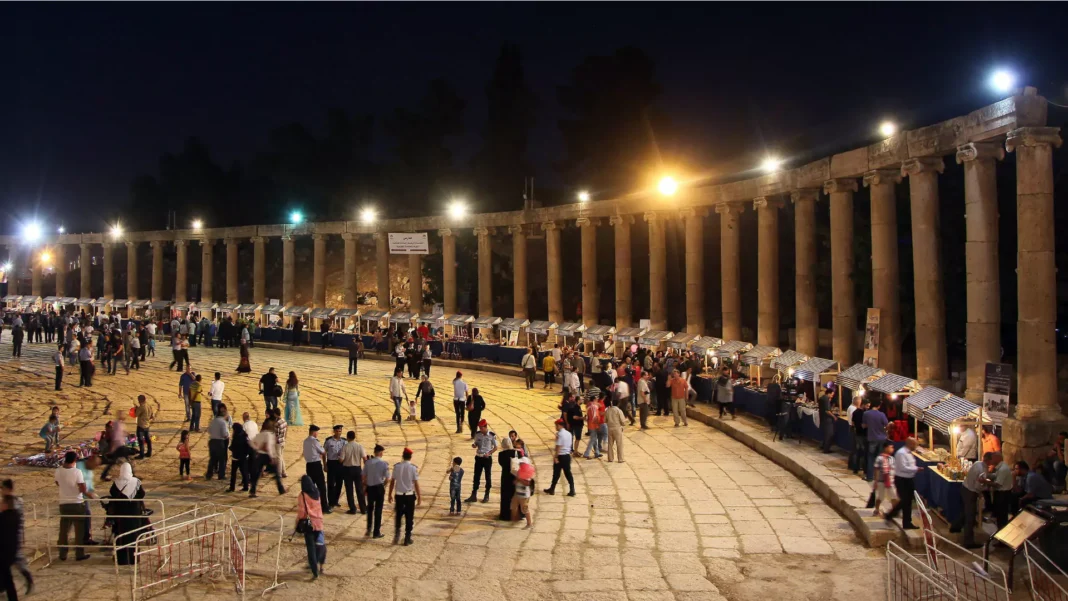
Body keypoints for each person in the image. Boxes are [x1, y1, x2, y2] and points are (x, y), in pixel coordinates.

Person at [107, 462, 147, 566]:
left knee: (121, 536)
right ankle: (133, 559)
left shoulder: (116, 483)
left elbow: (112, 493)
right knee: (134, 536)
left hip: (121, 514)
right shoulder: (136, 482)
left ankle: (121, 560)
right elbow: (142, 494)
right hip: (134, 514)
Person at [55, 451, 90, 561]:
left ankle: (62, 553)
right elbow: (83, 489)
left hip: (64, 503)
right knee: (79, 531)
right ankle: (79, 554)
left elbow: (58, 483)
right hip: (77, 503)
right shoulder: (77, 472)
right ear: (75, 460)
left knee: (64, 530)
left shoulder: (58, 471)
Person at [1, 480, 34, 597]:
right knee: (8, 565)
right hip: (13, 536)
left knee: (17, 562)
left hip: (13, 537)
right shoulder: (14, 501)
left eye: (2, 488)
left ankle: (28, 579)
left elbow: (12, 520)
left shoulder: (13, 502)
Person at [954, 452, 995, 548]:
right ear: (989, 460)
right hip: (971, 492)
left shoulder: (977, 463)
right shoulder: (982, 471)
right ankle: (968, 542)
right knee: (970, 517)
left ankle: (957, 528)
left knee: (965, 513)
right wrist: (986, 485)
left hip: (965, 488)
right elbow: (978, 486)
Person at [884, 437, 922, 530]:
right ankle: (890, 514)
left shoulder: (909, 453)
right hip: (902, 480)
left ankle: (907, 523)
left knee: (908, 501)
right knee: (905, 500)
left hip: (909, 479)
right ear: (910, 444)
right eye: (915, 444)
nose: (916, 446)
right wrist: (916, 469)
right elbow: (903, 467)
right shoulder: (901, 453)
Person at [388, 447, 421, 546]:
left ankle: (397, 534)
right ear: (410, 457)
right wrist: (419, 496)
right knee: (409, 517)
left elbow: (392, 482)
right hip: (409, 496)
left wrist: (389, 494)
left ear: (403, 456)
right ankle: (407, 537)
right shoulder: (413, 468)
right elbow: (416, 483)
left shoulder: (397, 467)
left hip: (399, 495)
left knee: (398, 515)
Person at [296, 475, 327, 579]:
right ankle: (321, 564)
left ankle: (314, 571)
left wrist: (297, 522)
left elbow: (302, 512)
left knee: (311, 548)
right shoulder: (317, 492)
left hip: (309, 525)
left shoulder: (303, 495)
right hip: (319, 523)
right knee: (320, 544)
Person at [249, 419, 285, 497]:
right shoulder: (269, 434)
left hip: (259, 455)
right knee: (276, 473)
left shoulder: (260, 434)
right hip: (267, 456)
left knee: (257, 474)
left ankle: (253, 490)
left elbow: (251, 442)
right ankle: (281, 489)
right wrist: (272, 457)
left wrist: (258, 448)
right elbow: (268, 447)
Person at [467, 419, 498, 503]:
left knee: (488, 476)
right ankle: (474, 495)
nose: (480, 429)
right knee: (476, 476)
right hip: (479, 457)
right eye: (479, 428)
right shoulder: (477, 434)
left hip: (487, 458)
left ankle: (486, 494)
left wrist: (489, 453)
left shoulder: (492, 436)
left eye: (481, 428)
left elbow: (495, 447)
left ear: (485, 427)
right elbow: (476, 443)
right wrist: (474, 445)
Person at [544, 419, 576, 496]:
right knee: (568, 473)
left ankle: (552, 489)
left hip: (561, 456)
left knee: (556, 473)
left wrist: (556, 457)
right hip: (567, 456)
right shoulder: (569, 433)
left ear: (559, 425)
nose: (555, 427)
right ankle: (572, 489)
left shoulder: (560, 434)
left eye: (556, 425)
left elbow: (558, 446)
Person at [363, 444, 389, 538]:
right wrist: (384, 486)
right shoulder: (384, 464)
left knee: (370, 509)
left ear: (375, 452)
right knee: (378, 510)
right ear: (381, 453)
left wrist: (365, 485)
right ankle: (376, 532)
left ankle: (369, 529)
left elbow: (363, 476)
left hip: (370, 488)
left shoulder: (368, 463)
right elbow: (387, 478)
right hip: (379, 488)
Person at [302, 425, 330, 512]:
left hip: (309, 466)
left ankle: (310, 506)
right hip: (316, 465)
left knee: (311, 486)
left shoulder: (305, 441)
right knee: (321, 487)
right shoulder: (315, 441)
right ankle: (324, 507)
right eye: (317, 432)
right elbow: (323, 452)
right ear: (314, 432)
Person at [341, 431, 366, 515]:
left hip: (347, 470)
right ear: (354, 437)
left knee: (349, 490)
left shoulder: (345, 446)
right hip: (357, 469)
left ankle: (352, 509)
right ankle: (363, 509)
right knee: (359, 489)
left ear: (347, 437)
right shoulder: (359, 446)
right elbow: (364, 459)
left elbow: (341, 459)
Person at [863, 399, 889, 481]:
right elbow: (886, 425)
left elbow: (864, 425)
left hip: (872, 438)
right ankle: (880, 477)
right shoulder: (882, 414)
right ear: (878, 406)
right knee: (880, 458)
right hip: (882, 439)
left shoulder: (866, 414)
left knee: (870, 458)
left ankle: (870, 477)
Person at [511, 448, 534, 528]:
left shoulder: (527, 474)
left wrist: (519, 479)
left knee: (524, 509)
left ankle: (529, 524)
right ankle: (515, 519)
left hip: (524, 495)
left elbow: (527, 483)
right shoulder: (520, 472)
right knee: (513, 506)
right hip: (517, 493)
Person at [497, 438, 521, 520]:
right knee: (516, 495)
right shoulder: (517, 452)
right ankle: (518, 514)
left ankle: (506, 515)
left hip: (506, 477)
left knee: (506, 496)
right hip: (516, 476)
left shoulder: (501, 454)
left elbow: (501, 464)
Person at [871, 442, 896, 517]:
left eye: (893, 447)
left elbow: (894, 469)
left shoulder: (892, 459)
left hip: (890, 481)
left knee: (893, 496)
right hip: (881, 481)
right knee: (881, 497)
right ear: (885, 448)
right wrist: (876, 481)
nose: (892, 449)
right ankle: (876, 510)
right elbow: (876, 470)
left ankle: (894, 511)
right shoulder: (879, 458)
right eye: (891, 447)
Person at [324, 425, 346, 509]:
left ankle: (336, 500)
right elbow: (324, 452)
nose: (338, 432)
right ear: (334, 431)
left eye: (340, 431)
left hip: (340, 464)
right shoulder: (328, 441)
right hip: (331, 463)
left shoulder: (344, 441)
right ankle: (331, 501)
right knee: (330, 483)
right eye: (337, 431)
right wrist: (325, 464)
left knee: (339, 483)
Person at [206, 405, 230, 480]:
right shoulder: (223, 422)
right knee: (222, 459)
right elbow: (224, 434)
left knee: (212, 459)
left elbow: (209, 431)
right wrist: (227, 436)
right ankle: (221, 475)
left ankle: (209, 474)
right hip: (219, 442)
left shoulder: (213, 421)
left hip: (212, 441)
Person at [228, 423, 251, 492]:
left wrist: (230, 448)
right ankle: (246, 487)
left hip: (236, 458)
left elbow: (233, 447)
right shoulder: (244, 435)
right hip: (244, 457)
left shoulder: (236, 437)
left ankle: (232, 487)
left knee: (233, 473)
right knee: (244, 472)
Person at [848, 399, 868, 474]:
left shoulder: (855, 412)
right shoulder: (865, 413)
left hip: (857, 434)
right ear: (863, 404)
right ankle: (863, 468)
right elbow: (864, 425)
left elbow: (853, 423)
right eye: (867, 405)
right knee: (863, 452)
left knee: (857, 451)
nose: (868, 407)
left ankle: (855, 468)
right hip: (862, 435)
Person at [583, 394, 604, 460]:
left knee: (594, 439)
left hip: (590, 424)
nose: (597, 400)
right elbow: (595, 417)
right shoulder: (594, 407)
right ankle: (586, 453)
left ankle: (597, 453)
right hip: (594, 425)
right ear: (594, 400)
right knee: (592, 439)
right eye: (596, 399)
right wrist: (597, 425)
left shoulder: (589, 406)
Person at [818, 388, 837, 453]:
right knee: (829, 434)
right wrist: (833, 416)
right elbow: (827, 410)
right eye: (832, 395)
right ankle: (826, 449)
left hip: (822, 418)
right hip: (827, 419)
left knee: (825, 434)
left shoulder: (822, 398)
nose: (832, 396)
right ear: (828, 393)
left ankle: (823, 446)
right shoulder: (826, 399)